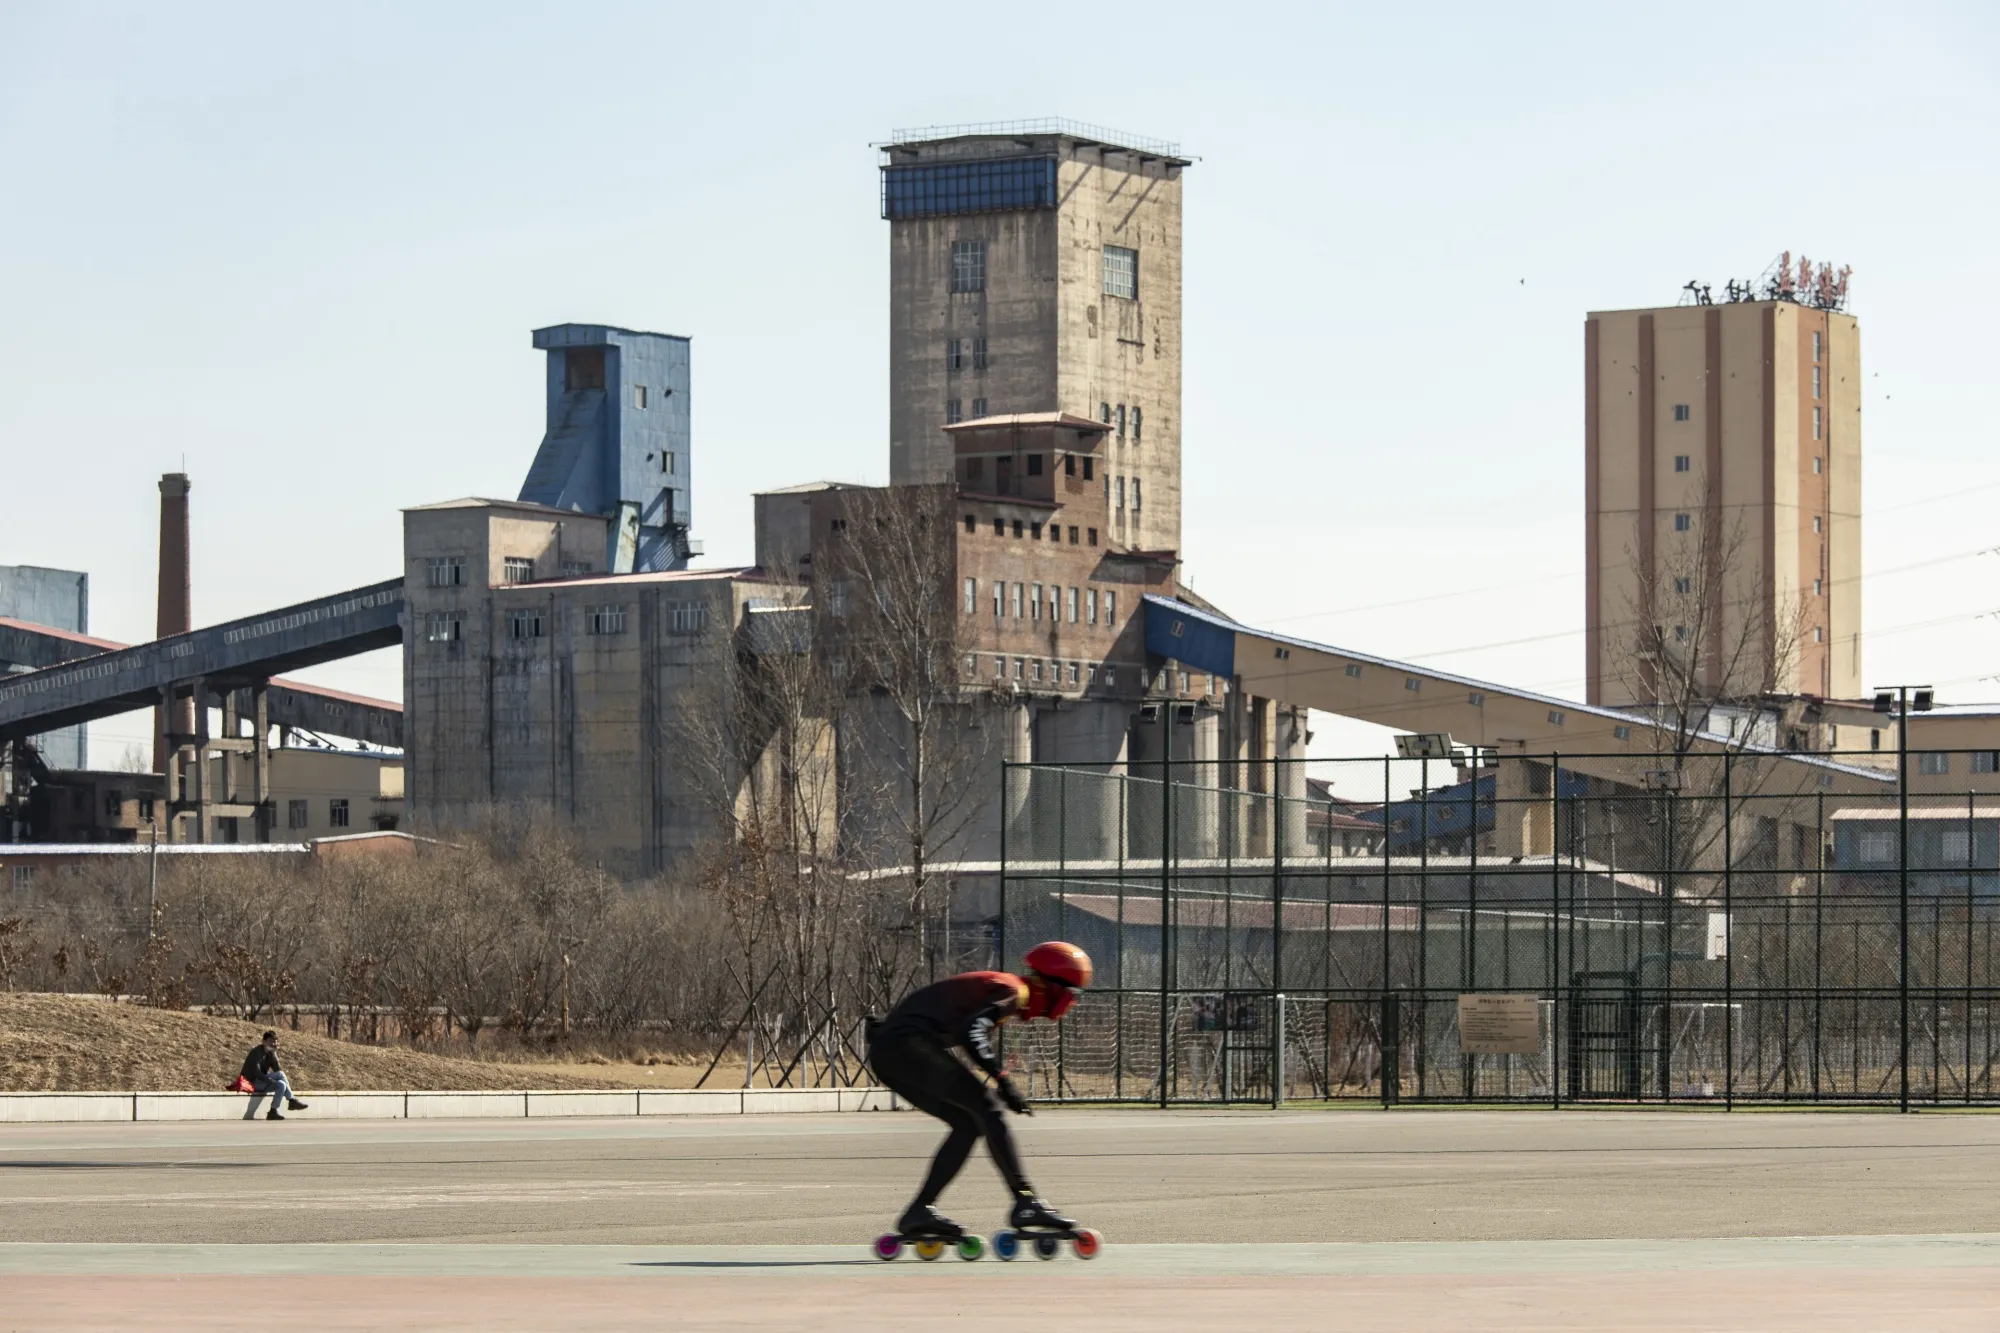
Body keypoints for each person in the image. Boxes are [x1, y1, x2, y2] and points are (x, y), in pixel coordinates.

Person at [866, 940, 1092, 1241]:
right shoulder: (1014, 991)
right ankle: (1025, 1202)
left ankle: (919, 1211)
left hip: (888, 1054)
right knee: (990, 1109)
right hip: (906, 1046)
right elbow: (971, 1031)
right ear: (1055, 987)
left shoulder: (1008, 990)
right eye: (1073, 995)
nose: (1072, 1003)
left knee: (969, 1123)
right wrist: (1003, 1079)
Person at [241, 1031, 308, 1120]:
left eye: (276, 1041)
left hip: (261, 1082)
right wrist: (271, 1081)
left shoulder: (271, 1053)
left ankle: (273, 1111)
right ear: (264, 1042)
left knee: (281, 1084)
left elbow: (277, 1069)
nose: (274, 1044)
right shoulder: (256, 1052)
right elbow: (256, 1073)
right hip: (251, 1082)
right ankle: (292, 1100)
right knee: (280, 1077)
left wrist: (274, 1055)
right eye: (271, 1041)